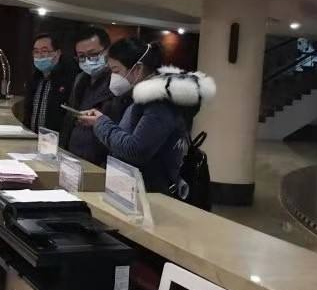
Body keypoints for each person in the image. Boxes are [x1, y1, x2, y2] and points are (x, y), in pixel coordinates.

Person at [78, 37, 215, 194]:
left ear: (137, 69)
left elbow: (136, 150)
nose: (112, 77)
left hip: (152, 191)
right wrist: (100, 121)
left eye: (116, 71)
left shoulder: (159, 101)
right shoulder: (141, 97)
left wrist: (100, 123)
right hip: (136, 187)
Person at [60, 26, 132, 166]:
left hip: (102, 162)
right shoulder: (80, 80)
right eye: (82, 56)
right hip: (74, 157)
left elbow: (120, 129)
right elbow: (69, 122)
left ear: (107, 51)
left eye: (93, 54)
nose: (87, 61)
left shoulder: (118, 82)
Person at [23, 32, 77, 133]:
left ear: (57, 53)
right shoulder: (34, 79)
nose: (40, 55)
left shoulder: (70, 79)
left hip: (56, 139)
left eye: (45, 51)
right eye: (36, 52)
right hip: (32, 136)